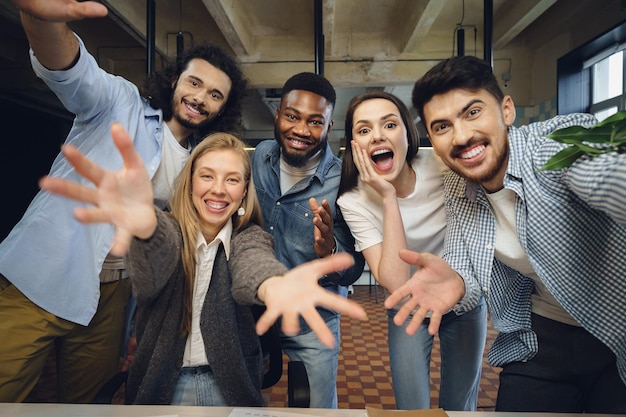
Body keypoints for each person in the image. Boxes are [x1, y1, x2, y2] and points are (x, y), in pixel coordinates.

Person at [0, 0, 248, 403]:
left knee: (87, 407)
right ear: (174, 82)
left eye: (215, 94)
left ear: (224, 107)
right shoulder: (119, 104)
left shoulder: (200, 166)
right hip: (38, 280)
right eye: (195, 83)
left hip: (113, 299)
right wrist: (43, 17)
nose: (201, 97)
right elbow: (70, 70)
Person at [38, 125, 368, 406]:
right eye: (207, 176)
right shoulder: (166, 228)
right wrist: (146, 227)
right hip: (161, 388)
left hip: (228, 387)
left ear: (243, 194)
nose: (218, 189)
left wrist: (275, 286)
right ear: (191, 181)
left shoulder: (249, 237)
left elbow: (254, 267)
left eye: (232, 180)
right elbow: (154, 265)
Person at [385, 55, 626, 413]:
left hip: (614, 332)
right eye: (442, 126)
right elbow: (464, 266)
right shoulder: (458, 184)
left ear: (506, 110)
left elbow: (606, 176)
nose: (462, 136)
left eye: (472, 112)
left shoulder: (551, 147)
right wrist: (459, 284)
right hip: (540, 339)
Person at [336, 91, 487, 410]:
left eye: (389, 125)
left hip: (462, 297)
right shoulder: (353, 201)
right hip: (407, 304)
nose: (377, 135)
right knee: (411, 408)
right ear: (354, 146)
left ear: (408, 132)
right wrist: (388, 198)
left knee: (460, 406)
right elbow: (394, 279)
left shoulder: (444, 166)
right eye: (364, 130)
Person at [251, 72, 365, 408]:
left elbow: (353, 269)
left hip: (314, 320)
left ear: (330, 127)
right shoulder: (261, 156)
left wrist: (328, 248)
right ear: (278, 114)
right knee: (243, 401)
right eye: (292, 116)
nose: (301, 130)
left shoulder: (345, 178)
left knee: (317, 410)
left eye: (315, 121)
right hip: (255, 311)